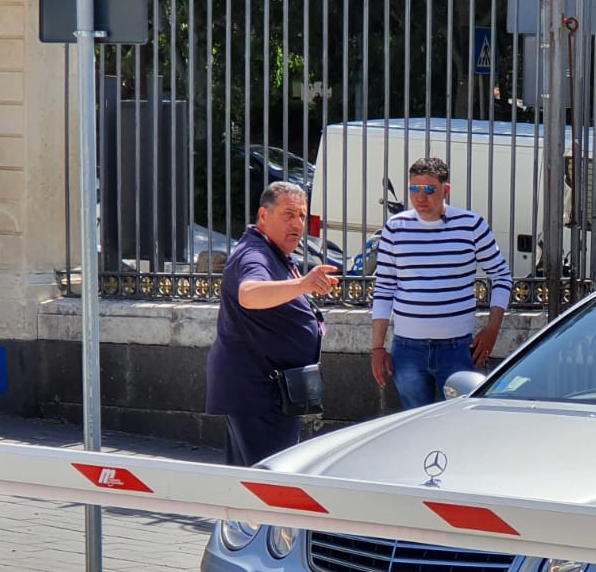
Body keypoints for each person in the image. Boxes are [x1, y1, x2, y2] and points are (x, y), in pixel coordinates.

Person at [206, 181, 339, 467]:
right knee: (271, 483)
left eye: (302, 216)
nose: (298, 223)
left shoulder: (274, 253)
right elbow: (249, 293)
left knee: (249, 482)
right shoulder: (255, 254)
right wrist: (303, 284)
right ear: (263, 216)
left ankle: (238, 514)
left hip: (265, 391)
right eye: (288, 214)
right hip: (261, 395)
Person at [370, 156, 513, 408]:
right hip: (407, 350)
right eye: (414, 188)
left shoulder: (471, 226)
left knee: (460, 424)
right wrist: (377, 347)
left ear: (445, 190)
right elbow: (384, 287)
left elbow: (501, 275)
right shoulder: (395, 228)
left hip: (457, 348)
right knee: (415, 424)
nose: (420, 197)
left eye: (429, 190)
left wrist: (492, 329)